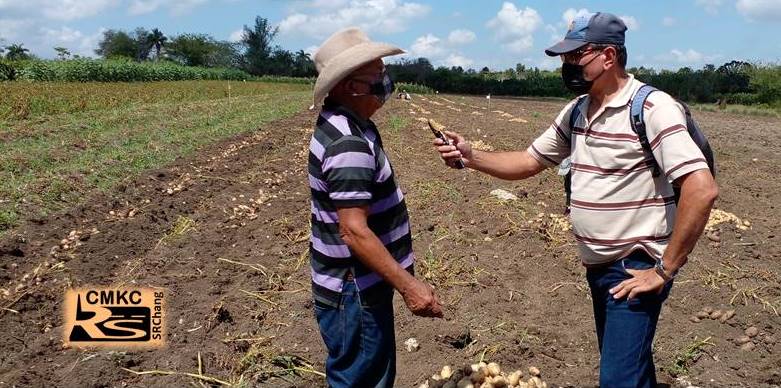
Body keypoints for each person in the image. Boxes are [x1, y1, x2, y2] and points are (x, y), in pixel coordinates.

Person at [433, 12, 718, 388]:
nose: (567, 66)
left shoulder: (651, 108)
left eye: (575, 56)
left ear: (609, 56)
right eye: (565, 58)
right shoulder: (578, 110)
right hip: (599, 267)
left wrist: (663, 270)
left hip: (635, 264)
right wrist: (472, 157)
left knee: (618, 379)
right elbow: (529, 160)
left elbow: (702, 188)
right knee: (631, 365)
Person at [309, 27, 443, 388]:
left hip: (357, 288)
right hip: (355, 292)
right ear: (351, 87)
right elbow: (354, 231)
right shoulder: (348, 143)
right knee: (363, 379)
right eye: (377, 75)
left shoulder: (354, 126)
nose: (386, 80)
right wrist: (410, 287)